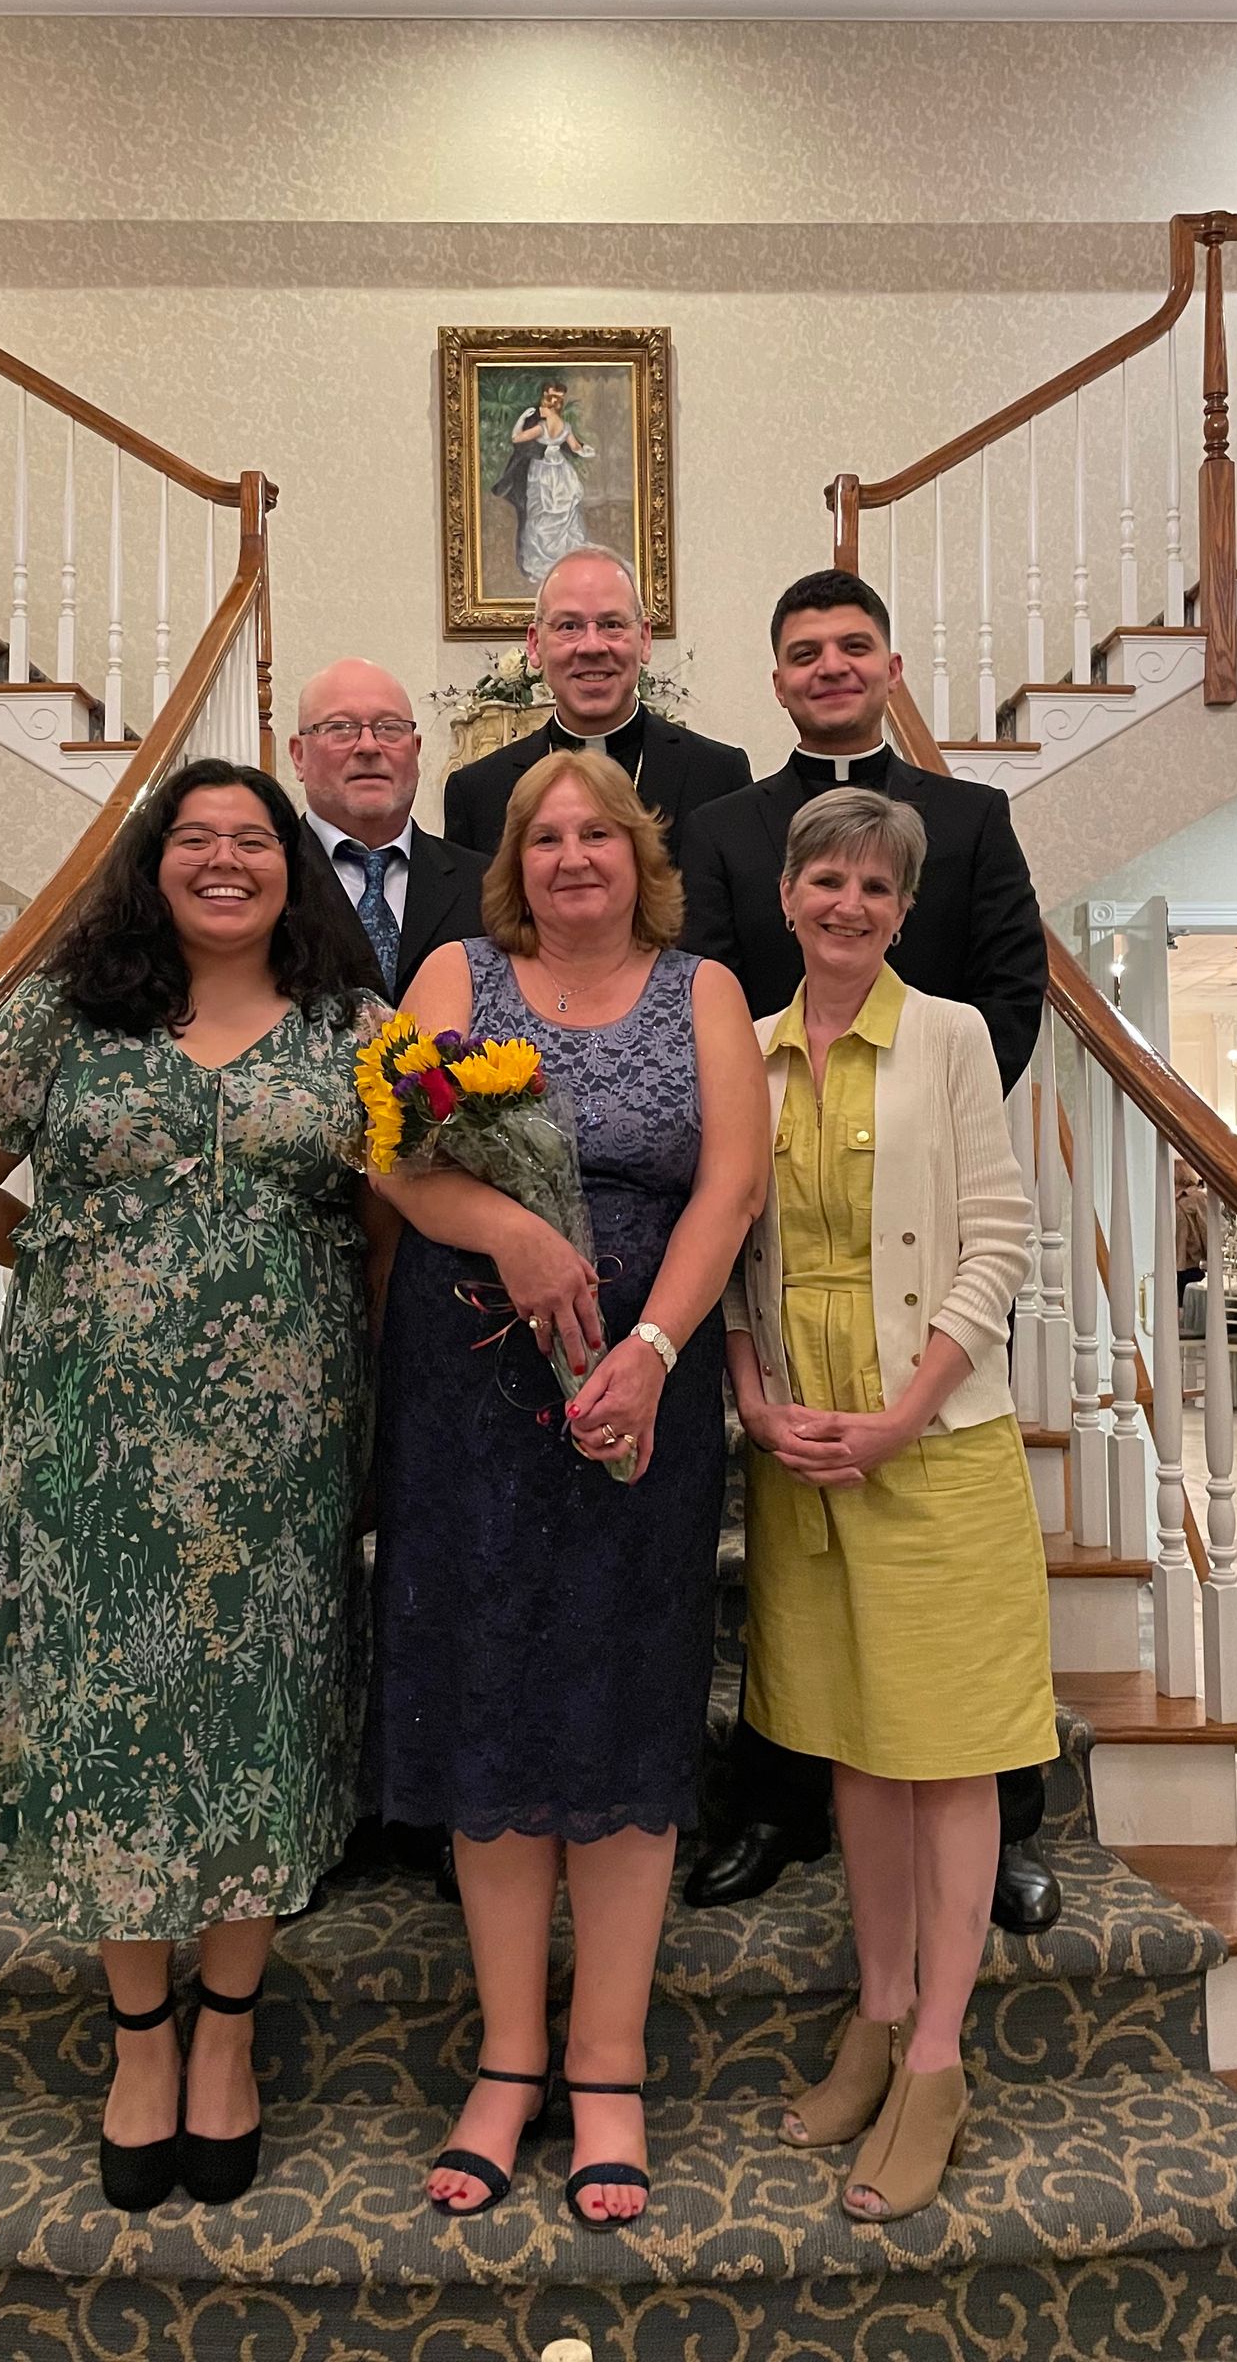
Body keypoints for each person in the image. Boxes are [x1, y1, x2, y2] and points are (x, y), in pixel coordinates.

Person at [0, 758, 383, 2214]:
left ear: (294, 868)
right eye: (196, 837)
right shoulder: (66, 1012)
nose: (226, 859)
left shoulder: (355, 1026)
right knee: (112, 1718)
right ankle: (140, 2037)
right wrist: (86, 1267)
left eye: (255, 839)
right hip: (95, 1439)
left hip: (286, 1443)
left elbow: (394, 1217)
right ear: (153, 862)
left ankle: (227, 2029)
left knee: (257, 1715)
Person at [369, 748, 768, 2232]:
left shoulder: (704, 990)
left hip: (641, 1389)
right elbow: (394, 1159)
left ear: (640, 855)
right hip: (474, 1395)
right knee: (491, 1699)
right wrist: (517, 1235)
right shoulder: (456, 978)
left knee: (621, 1702)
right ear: (514, 863)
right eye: (547, 836)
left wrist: (653, 1352)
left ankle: (608, 2061)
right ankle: (508, 2056)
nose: (574, 854)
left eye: (600, 831)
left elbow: (731, 1187)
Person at [678, 567, 1056, 1933]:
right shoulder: (722, 829)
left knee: (956, 1628)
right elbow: (704, 1000)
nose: (830, 667)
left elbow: (1012, 988)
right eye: (805, 651)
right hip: (783, 1196)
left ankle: (996, 1833)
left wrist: (914, 1115)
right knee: (808, 1623)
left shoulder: (971, 816)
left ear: (891, 665)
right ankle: (779, 1808)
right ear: (777, 677)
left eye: (853, 646)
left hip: (917, 1205)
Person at [727, 787, 1055, 2221]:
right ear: (787, 897)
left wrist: (906, 1413)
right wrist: (753, 1396)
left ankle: (935, 2058)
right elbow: (727, 1245)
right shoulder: (743, 1049)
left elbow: (998, 1238)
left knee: (952, 1751)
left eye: (876, 885)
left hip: (932, 1445)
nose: (849, 903)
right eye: (827, 879)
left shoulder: (955, 1036)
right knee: (856, 1749)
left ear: (905, 910)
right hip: (801, 1447)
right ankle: (874, 2015)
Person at [443, 547, 750, 858]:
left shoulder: (719, 776)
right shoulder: (478, 793)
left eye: (612, 624)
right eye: (569, 626)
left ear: (644, 639)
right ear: (535, 645)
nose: (592, 646)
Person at [290, 657, 488, 1004]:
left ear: (416, 750)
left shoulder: (487, 884)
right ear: (298, 756)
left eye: (390, 728)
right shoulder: (268, 879)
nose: (368, 746)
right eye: (340, 728)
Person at [490, 379, 596, 585]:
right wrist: (587, 451)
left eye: (544, 406)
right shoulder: (565, 426)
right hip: (561, 472)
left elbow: (516, 438)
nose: (541, 409)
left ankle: (546, 562)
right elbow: (576, 448)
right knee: (561, 514)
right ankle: (563, 560)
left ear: (548, 407)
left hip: (543, 473)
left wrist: (521, 419)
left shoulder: (540, 427)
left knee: (542, 514)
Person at [1175, 1159, 1210, 1309]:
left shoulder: (1170, 1200)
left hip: (1177, 1264)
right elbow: (1207, 1230)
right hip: (1192, 1263)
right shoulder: (1197, 1198)